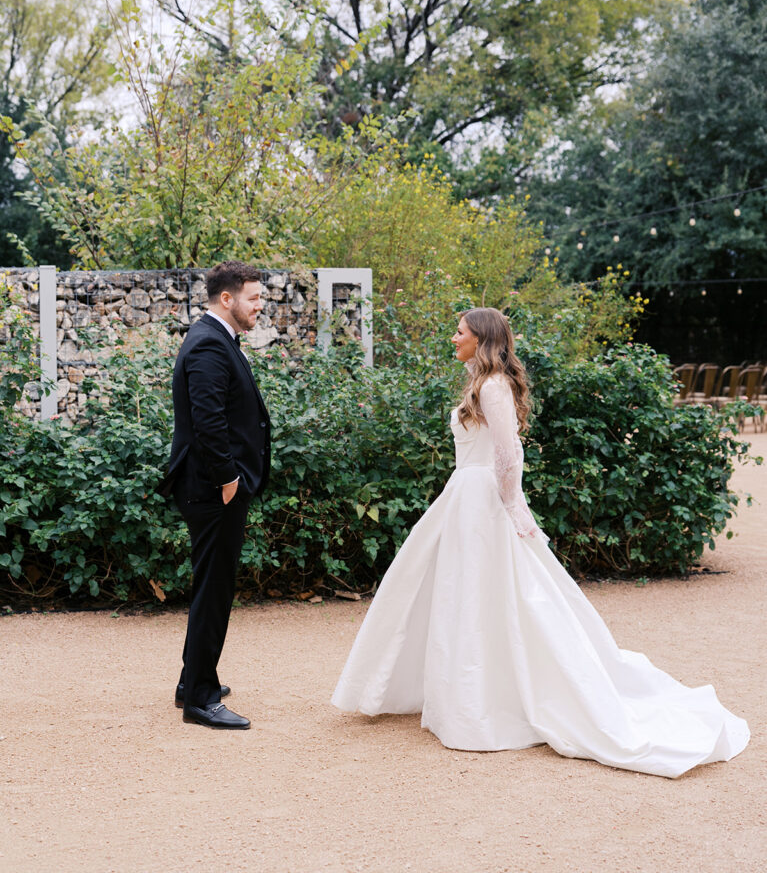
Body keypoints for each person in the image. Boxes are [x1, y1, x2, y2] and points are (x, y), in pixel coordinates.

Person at [331, 307, 750, 776]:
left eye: (461, 332)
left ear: (482, 339)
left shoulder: (493, 386)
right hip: (465, 497)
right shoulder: (481, 383)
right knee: (462, 592)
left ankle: (487, 699)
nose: (454, 338)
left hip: (484, 501)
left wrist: (511, 508)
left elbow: (509, 454)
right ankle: (465, 693)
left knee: (494, 593)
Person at [159, 261, 271, 729]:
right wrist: (229, 478)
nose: (260, 304)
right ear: (227, 299)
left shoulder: (214, 337)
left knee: (211, 583)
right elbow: (208, 420)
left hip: (213, 485)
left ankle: (192, 680)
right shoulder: (208, 342)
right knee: (215, 588)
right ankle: (201, 699)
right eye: (253, 297)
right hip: (213, 487)